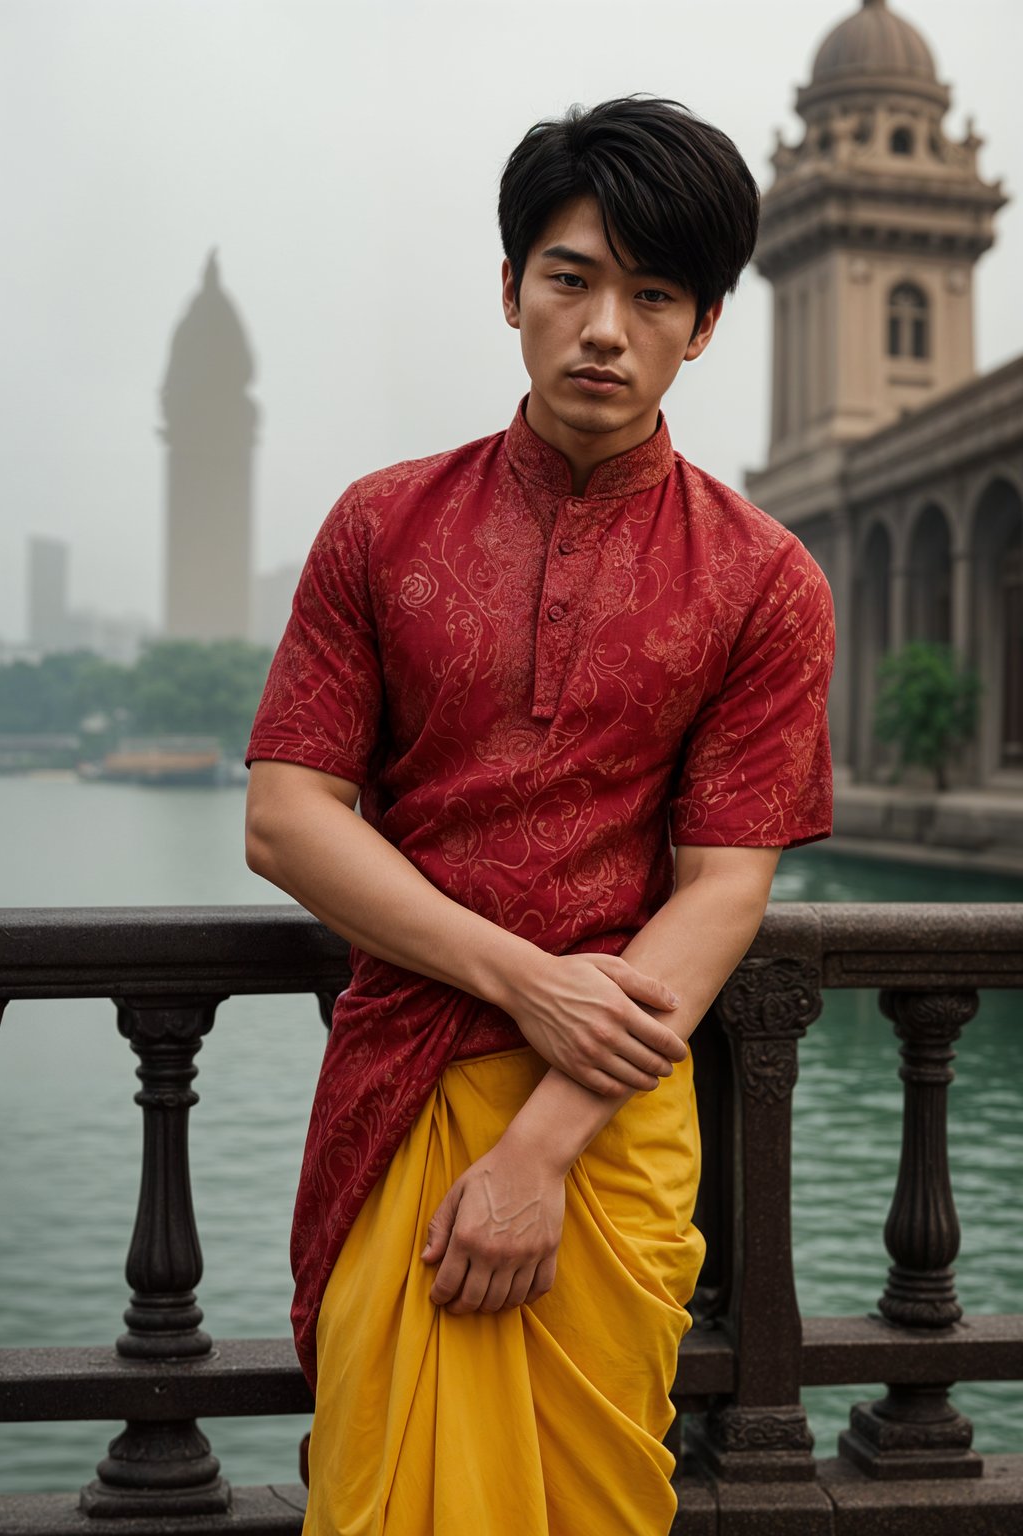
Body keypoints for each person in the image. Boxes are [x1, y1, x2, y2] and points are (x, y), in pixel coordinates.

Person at [245, 96, 834, 1536]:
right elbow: (285, 816)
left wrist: (543, 1144)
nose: (605, 329)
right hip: (405, 1084)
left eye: (654, 295)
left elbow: (723, 891)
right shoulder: (380, 527)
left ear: (701, 329)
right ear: (509, 287)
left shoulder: (765, 582)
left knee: (591, 1496)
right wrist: (522, 980)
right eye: (571, 279)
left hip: (608, 1126)